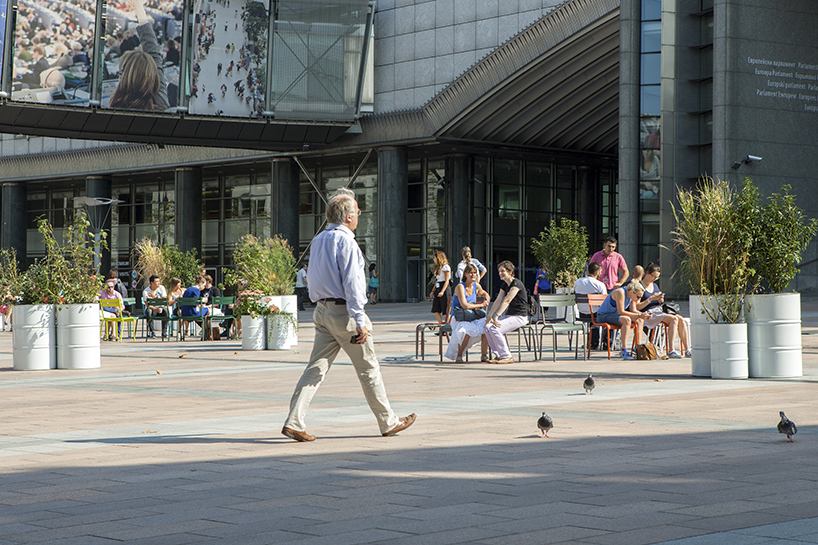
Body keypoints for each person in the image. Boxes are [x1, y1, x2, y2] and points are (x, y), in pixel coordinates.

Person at [282, 188, 416, 442]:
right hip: (344, 313)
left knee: (315, 369)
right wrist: (359, 320)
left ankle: (294, 421)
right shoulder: (347, 242)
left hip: (322, 311)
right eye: (357, 211)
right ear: (347, 217)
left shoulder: (319, 239)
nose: (359, 215)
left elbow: (313, 278)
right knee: (368, 369)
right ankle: (388, 422)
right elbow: (354, 283)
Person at [109, 0, 169, 112]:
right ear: (152, 74)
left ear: (124, 76)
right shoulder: (160, 101)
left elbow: (154, 54)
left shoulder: (116, 107)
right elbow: (154, 53)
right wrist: (140, 11)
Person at [634, 263, 690, 358]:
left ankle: (687, 349)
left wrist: (660, 300)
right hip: (648, 313)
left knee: (681, 319)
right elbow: (637, 306)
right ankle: (671, 350)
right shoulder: (639, 286)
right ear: (647, 273)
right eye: (653, 276)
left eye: (657, 277)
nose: (655, 279)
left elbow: (659, 302)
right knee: (673, 319)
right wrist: (650, 299)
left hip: (658, 311)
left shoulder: (655, 286)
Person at [483, 260, 529, 364]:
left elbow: (507, 300)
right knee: (487, 327)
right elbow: (498, 300)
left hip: (520, 317)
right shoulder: (504, 285)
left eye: (502, 271)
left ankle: (507, 356)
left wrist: (497, 316)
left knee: (495, 329)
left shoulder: (516, 284)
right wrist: (489, 315)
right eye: (499, 271)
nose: (500, 273)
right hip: (510, 316)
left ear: (510, 271)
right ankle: (499, 356)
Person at [444, 263, 491, 363]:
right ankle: (459, 356)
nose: (473, 275)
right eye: (470, 273)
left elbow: (482, 292)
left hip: (472, 316)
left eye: (475, 273)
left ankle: (484, 355)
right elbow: (465, 305)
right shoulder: (460, 287)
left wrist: (486, 296)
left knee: (486, 326)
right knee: (466, 329)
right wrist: (480, 305)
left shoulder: (475, 285)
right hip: (459, 317)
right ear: (465, 274)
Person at [595, 280, 649, 360]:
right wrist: (639, 315)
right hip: (603, 316)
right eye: (638, 297)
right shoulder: (620, 292)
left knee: (639, 320)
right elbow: (621, 311)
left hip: (615, 316)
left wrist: (644, 315)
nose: (638, 299)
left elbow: (633, 310)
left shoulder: (631, 296)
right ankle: (624, 350)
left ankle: (638, 347)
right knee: (626, 319)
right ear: (631, 292)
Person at [573, 262, 607, 350]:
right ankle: (605, 341)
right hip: (595, 314)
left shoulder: (577, 282)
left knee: (591, 314)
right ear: (597, 273)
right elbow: (604, 302)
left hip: (582, 313)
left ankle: (591, 342)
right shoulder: (600, 285)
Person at [429, 250, 451, 323]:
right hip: (438, 286)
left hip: (444, 288)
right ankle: (441, 326)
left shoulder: (445, 267)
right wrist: (433, 291)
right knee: (436, 309)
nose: (433, 259)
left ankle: (448, 327)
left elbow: (447, 280)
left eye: (434, 257)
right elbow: (437, 280)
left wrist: (442, 291)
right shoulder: (437, 267)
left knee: (446, 310)